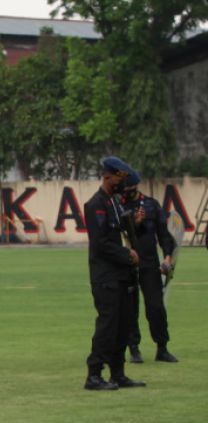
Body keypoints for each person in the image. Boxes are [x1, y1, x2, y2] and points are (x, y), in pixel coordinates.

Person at [84, 156, 144, 391]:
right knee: (107, 325)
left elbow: (121, 235)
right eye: (119, 179)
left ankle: (118, 373)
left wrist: (136, 226)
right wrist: (126, 255)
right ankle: (94, 374)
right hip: (105, 276)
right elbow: (101, 244)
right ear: (108, 176)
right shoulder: (95, 205)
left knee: (123, 325)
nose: (123, 184)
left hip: (122, 274)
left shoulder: (115, 204)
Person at [122, 172, 178, 363]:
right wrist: (134, 224)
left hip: (150, 264)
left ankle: (162, 347)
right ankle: (134, 349)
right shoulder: (117, 205)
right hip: (126, 265)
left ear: (136, 186)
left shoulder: (152, 205)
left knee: (155, 307)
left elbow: (164, 235)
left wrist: (168, 258)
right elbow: (123, 237)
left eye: (130, 188)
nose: (127, 191)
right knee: (130, 309)